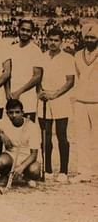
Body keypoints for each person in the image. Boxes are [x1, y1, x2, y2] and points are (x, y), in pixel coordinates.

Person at [38, 28, 75, 183]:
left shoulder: (67, 58)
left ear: (61, 41)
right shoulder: (42, 56)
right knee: (45, 137)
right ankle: (47, 169)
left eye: (56, 40)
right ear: (46, 40)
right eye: (50, 40)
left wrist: (55, 94)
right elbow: (37, 77)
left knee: (61, 135)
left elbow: (70, 81)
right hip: (44, 98)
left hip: (60, 99)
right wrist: (41, 92)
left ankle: (63, 171)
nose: (52, 43)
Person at [72, 23, 98, 182]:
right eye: (87, 37)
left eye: (93, 37)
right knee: (81, 137)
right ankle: (83, 171)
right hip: (81, 101)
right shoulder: (77, 55)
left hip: (97, 101)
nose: (89, 40)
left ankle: (95, 170)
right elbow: (77, 78)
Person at [0, 99, 41, 188]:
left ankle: (26, 177)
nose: (14, 115)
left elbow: (34, 154)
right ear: (7, 113)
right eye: (11, 113)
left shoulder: (32, 127)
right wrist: (1, 134)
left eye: (17, 112)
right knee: (0, 162)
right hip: (10, 155)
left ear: (22, 112)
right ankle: (5, 175)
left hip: (27, 157)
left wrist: (22, 167)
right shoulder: (2, 123)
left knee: (35, 170)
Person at [8, 19, 43, 121]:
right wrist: (8, 92)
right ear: (18, 29)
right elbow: (7, 72)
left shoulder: (35, 50)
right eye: (23, 29)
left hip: (28, 95)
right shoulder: (12, 48)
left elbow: (37, 76)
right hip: (12, 94)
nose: (25, 33)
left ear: (32, 33)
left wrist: (19, 92)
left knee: (27, 127)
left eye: (28, 31)